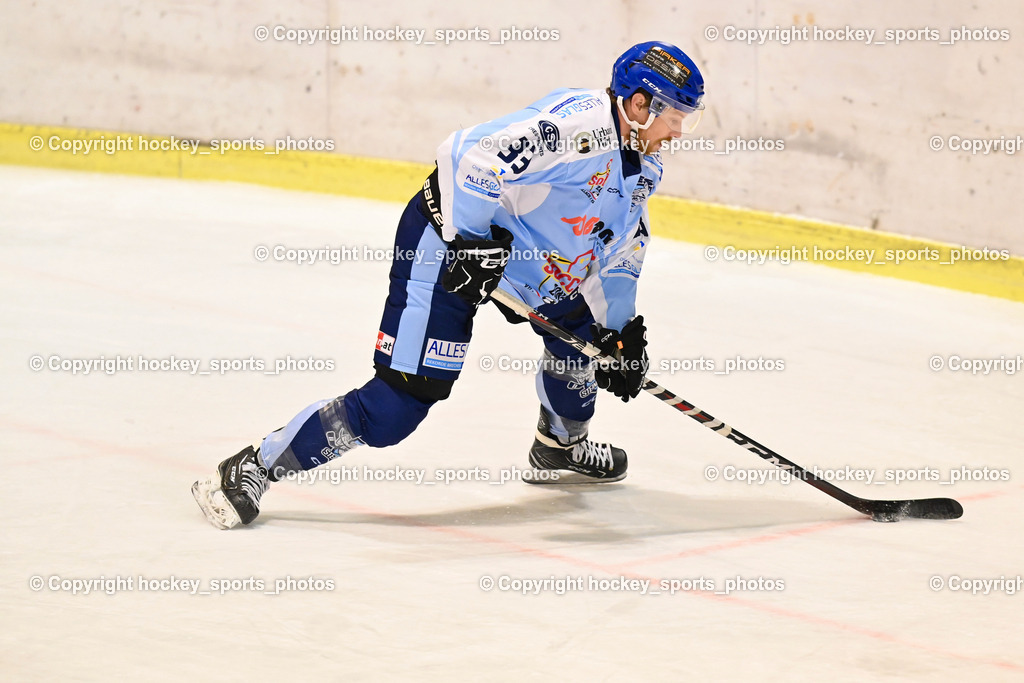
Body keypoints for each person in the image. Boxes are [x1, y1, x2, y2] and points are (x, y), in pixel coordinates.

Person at [192, 41, 705, 529]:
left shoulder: (644, 163)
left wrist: (618, 331)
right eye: (674, 117)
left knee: (588, 346)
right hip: (446, 245)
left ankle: (559, 444)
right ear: (638, 104)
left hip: (524, 265)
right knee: (397, 407)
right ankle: (254, 466)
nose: (679, 132)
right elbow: (471, 155)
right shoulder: (575, 130)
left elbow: (619, 243)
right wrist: (473, 240)